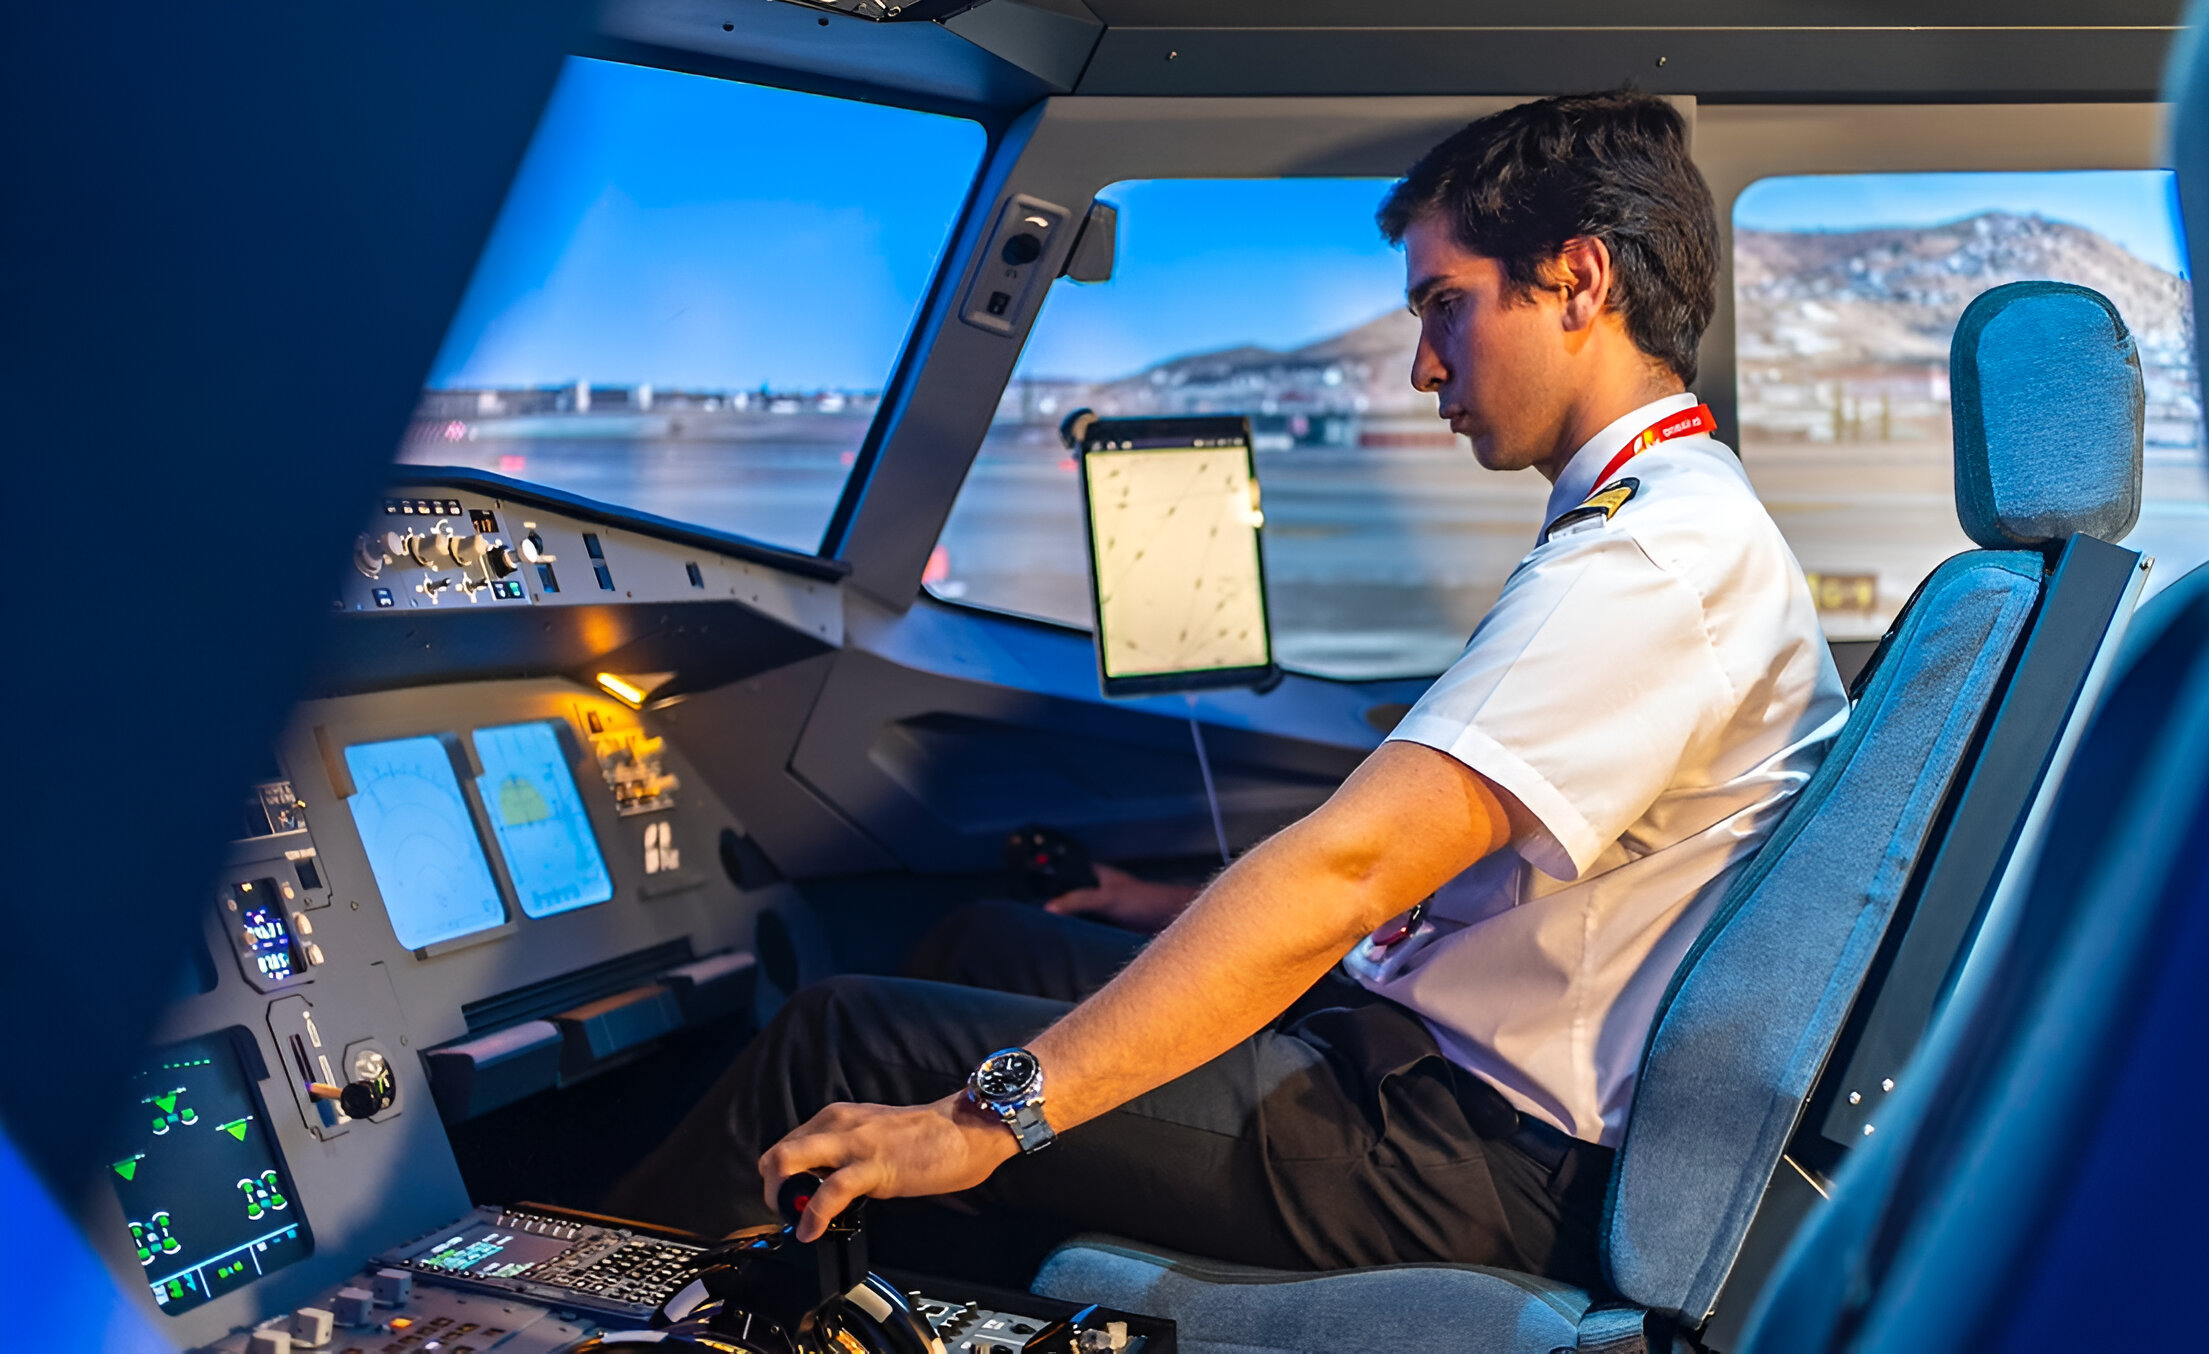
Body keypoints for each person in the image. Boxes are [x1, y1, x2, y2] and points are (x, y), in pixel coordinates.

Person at [606, 89, 1847, 1289]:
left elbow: (1349, 871)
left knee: (845, 1040)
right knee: (976, 939)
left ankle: (545, 1313)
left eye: (1445, 305)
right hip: (1427, 1066)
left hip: (1465, 1145)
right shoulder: (1663, 524)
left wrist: (985, 1124)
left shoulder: (1648, 561)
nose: (1425, 364)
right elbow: (1443, 884)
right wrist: (1153, 899)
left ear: (1576, 280)